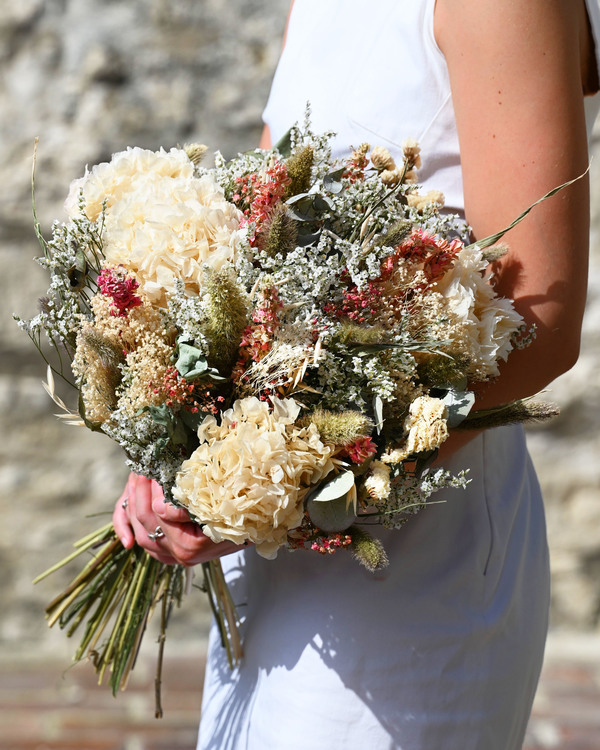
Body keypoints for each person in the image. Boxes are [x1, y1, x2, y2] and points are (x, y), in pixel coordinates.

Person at [113, 1, 600, 747]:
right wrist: (182, 451)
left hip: (414, 571)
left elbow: (541, 324)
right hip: (273, 558)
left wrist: (280, 488)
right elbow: (259, 238)